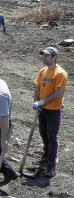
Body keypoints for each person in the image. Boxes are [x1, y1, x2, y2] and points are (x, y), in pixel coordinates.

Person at [33, 46, 68, 178]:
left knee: (53, 137)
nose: (44, 57)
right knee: (43, 134)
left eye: (47, 56)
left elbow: (59, 93)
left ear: (54, 58)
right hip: (43, 109)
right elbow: (37, 87)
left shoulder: (60, 73)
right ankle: (45, 156)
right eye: (44, 55)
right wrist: (37, 101)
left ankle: (52, 164)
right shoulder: (43, 71)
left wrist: (43, 102)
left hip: (54, 110)